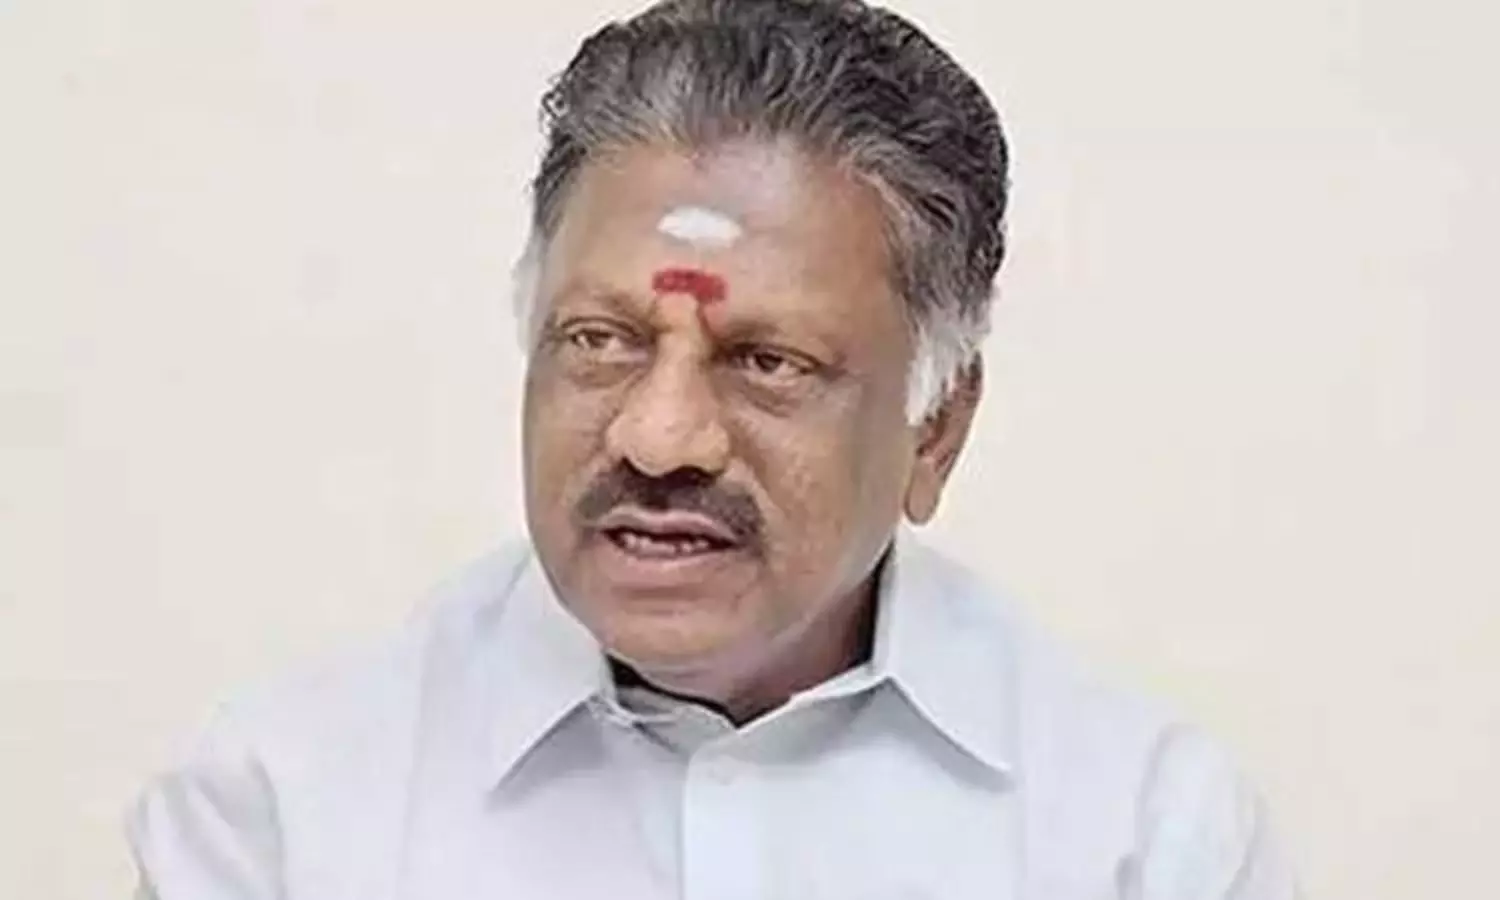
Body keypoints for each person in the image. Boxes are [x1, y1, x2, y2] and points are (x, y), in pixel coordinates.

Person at [128, 1, 1299, 897]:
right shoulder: (280, 816)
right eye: (600, 342)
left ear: (936, 427)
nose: (657, 437)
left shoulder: (1148, 839)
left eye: (766, 360)